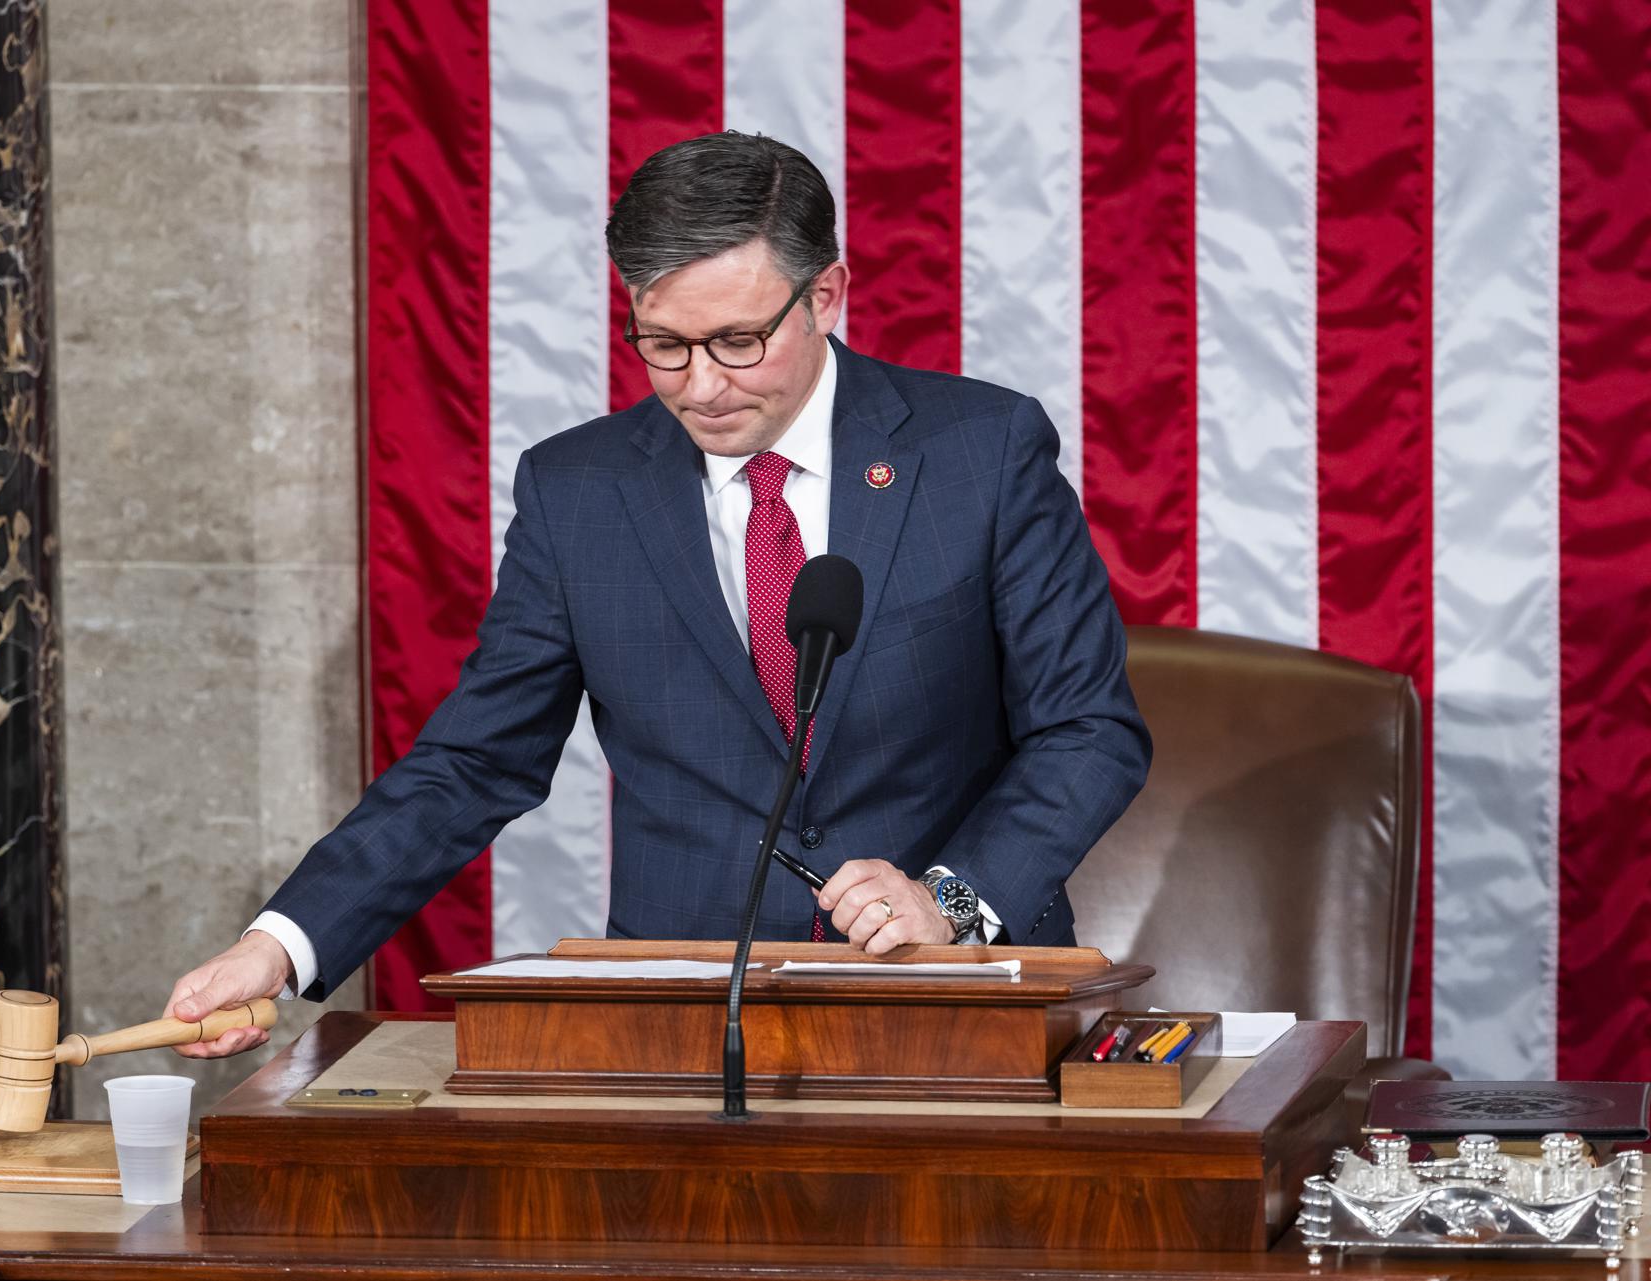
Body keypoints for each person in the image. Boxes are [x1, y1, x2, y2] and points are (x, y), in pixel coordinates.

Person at [165, 131, 1150, 1059]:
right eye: (664, 345)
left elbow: (1089, 729)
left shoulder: (981, 454)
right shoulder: (579, 493)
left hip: (951, 1004)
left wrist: (952, 897)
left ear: (829, 295)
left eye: (737, 341)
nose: (702, 387)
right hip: (677, 1014)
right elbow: (473, 761)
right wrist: (282, 945)